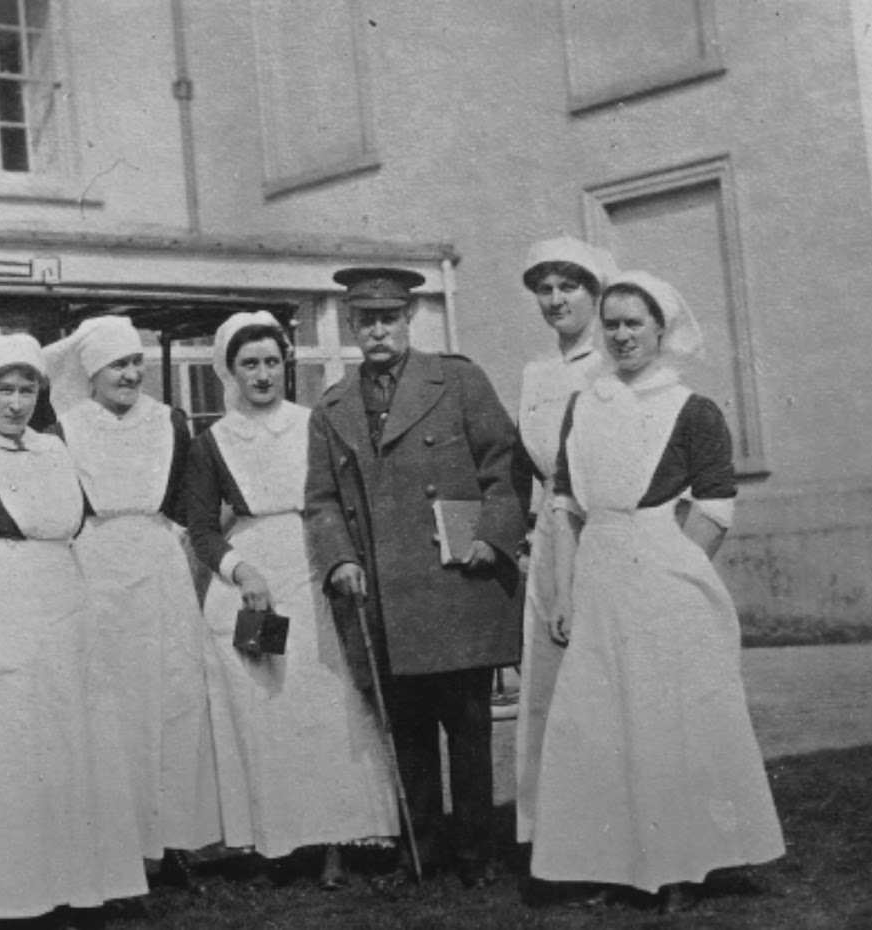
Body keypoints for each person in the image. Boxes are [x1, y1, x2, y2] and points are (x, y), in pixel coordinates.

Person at [530, 271, 785, 913]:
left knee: (667, 721)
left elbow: (716, 505)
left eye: (633, 324)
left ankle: (680, 867)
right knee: (598, 722)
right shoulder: (584, 405)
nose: (621, 335)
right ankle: (607, 863)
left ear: (660, 330)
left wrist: (676, 572)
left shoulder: (692, 409)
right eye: (611, 323)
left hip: (664, 573)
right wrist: (563, 594)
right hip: (598, 572)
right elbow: (566, 505)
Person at [0, 333, 147, 927]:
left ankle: (79, 884)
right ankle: (11, 894)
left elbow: (73, 523)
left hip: (67, 605)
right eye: (4, 391)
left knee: (75, 741)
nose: (16, 404)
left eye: (27, 390)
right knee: (11, 752)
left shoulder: (51, 450)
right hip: (1, 611)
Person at [305, 266, 526, 889]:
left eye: (389, 319)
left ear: (409, 320)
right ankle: (420, 855)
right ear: (351, 326)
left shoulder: (458, 381)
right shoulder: (332, 407)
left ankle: (477, 855)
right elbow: (321, 500)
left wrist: (491, 537)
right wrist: (340, 558)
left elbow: (504, 466)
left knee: (469, 728)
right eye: (365, 321)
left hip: (456, 584)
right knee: (407, 734)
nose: (378, 331)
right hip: (384, 594)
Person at [186, 311, 399, 889]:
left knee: (324, 702)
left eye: (271, 362)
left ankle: (335, 842)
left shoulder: (314, 425)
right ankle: (272, 843)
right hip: (252, 581)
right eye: (249, 364)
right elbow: (201, 527)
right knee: (262, 707)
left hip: (313, 567)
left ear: (286, 365)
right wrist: (240, 569)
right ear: (230, 371)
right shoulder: (212, 442)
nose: (262, 375)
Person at [43, 316, 222, 886]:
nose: (130, 374)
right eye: (117, 365)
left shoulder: (170, 422)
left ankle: (175, 842)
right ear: (92, 374)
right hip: (98, 569)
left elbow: (186, 502)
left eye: (136, 362)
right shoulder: (66, 430)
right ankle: (121, 844)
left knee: (175, 697)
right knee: (116, 707)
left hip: (161, 563)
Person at [510, 236, 616, 848]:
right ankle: (556, 830)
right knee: (548, 676)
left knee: (601, 673)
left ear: (595, 293)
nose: (555, 300)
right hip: (551, 529)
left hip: (601, 524)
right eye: (545, 289)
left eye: (568, 287)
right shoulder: (536, 373)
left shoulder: (613, 363)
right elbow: (532, 463)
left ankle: (613, 826)